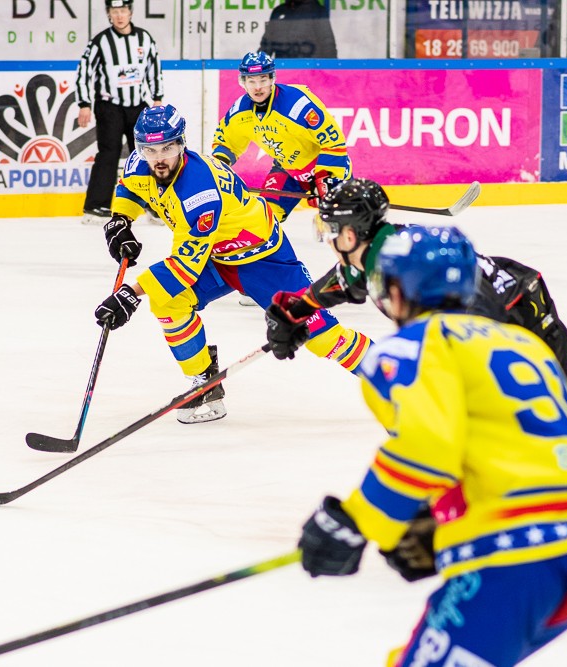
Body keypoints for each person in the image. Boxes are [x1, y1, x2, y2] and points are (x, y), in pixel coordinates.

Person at [266, 178, 567, 532]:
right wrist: (296, 311)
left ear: (351, 234)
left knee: (538, 416)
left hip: (525, 320)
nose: (327, 239)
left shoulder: (410, 271)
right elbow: (344, 283)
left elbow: (477, 327)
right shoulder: (378, 255)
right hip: (496, 315)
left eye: (330, 229)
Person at [297, 225, 567, 666]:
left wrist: (357, 523)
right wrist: (442, 517)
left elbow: (427, 447)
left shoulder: (412, 347)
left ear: (396, 291)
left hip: (517, 555)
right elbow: (543, 446)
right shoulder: (526, 345)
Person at [93, 105, 370, 424]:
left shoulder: (197, 192)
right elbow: (130, 187)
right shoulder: (140, 164)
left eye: (167, 148)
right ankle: (204, 384)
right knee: (169, 301)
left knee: (321, 336)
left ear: (182, 144)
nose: (158, 158)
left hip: (262, 258)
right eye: (150, 150)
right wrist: (120, 220)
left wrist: (130, 293)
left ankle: (396, 377)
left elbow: (184, 267)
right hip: (216, 255)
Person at [212, 52, 351, 226]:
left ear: (272, 79)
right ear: (243, 82)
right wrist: (217, 171)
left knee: (343, 223)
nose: (258, 87)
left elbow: (333, 141)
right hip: (288, 170)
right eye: (251, 81)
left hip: (325, 168)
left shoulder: (297, 103)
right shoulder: (239, 111)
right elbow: (226, 143)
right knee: (262, 218)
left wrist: (324, 177)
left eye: (263, 80)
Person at [75, 0, 164, 225]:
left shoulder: (144, 39)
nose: (119, 16)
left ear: (130, 12)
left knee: (147, 154)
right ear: (109, 14)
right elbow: (84, 71)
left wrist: (157, 98)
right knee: (109, 153)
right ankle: (96, 205)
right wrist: (84, 103)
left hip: (137, 106)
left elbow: (154, 69)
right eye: (114, 12)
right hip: (109, 106)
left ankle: (154, 204)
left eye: (123, 11)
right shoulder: (100, 42)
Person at [259, 0, 338, 58]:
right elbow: (266, 45)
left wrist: (331, 71)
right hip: (283, 71)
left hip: (310, 71)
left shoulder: (317, 11)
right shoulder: (278, 11)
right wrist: (256, 67)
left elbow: (328, 44)